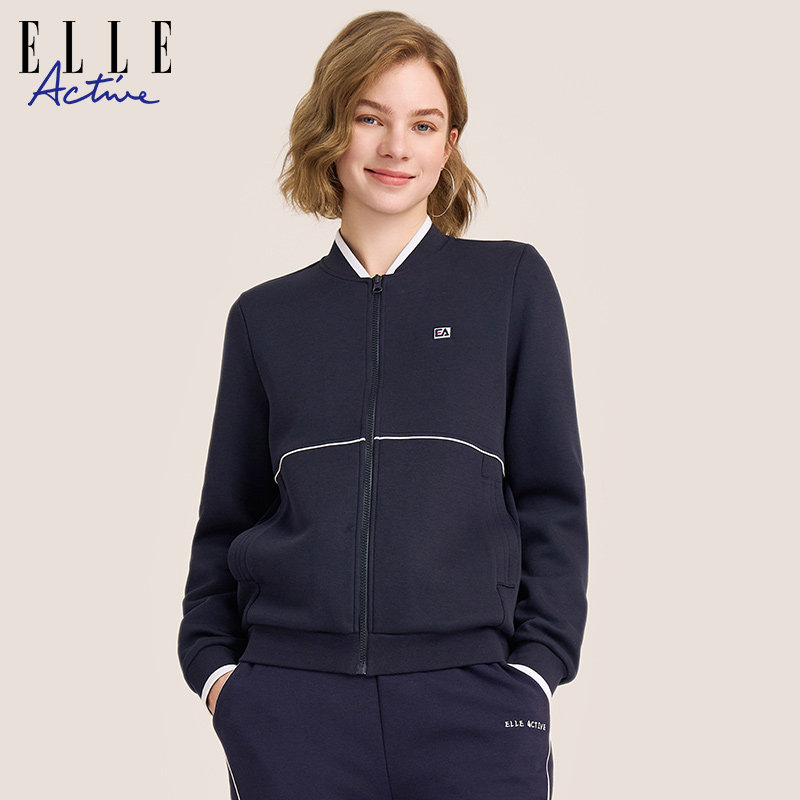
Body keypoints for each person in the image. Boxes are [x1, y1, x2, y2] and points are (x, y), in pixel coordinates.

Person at [177, 11, 588, 800]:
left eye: (423, 124)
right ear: (332, 129)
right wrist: (220, 675)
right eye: (371, 118)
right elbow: (226, 518)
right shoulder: (265, 317)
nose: (397, 147)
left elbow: (552, 499)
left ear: (449, 144)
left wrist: (535, 672)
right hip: (292, 705)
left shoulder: (508, 287)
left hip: (474, 702)